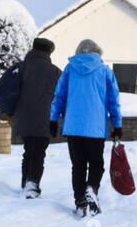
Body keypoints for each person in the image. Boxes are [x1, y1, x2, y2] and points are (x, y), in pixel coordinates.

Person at [49, 38, 123, 217]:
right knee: (96, 164)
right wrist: (117, 125)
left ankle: (80, 201)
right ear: (98, 53)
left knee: (78, 166)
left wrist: (53, 119)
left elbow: (59, 96)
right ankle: (92, 189)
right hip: (95, 128)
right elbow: (113, 101)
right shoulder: (105, 71)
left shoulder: (69, 69)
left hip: (73, 127)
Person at [12, 37, 62, 198]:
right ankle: (32, 185)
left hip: (23, 118)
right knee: (38, 152)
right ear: (49, 52)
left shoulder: (20, 68)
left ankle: (25, 182)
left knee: (28, 151)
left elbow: (2, 88)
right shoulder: (55, 71)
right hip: (44, 118)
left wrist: (11, 108)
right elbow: (63, 96)